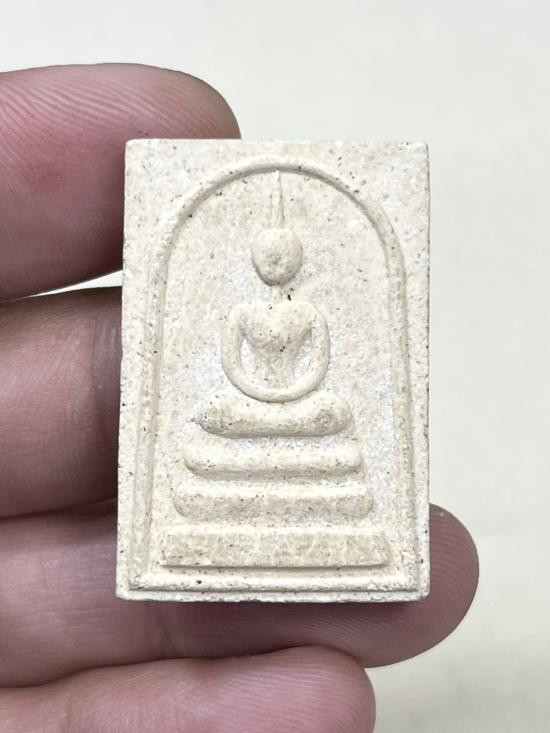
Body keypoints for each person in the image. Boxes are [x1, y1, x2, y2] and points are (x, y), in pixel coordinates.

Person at [0, 63, 478, 732]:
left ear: (294, 262)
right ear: (258, 261)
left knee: (334, 413)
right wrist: (258, 397)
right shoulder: (242, 313)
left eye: (284, 259)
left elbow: (317, 370)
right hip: (246, 407)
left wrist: (289, 398)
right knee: (213, 416)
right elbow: (232, 369)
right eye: (268, 259)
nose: (276, 267)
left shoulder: (309, 312)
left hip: (301, 407)